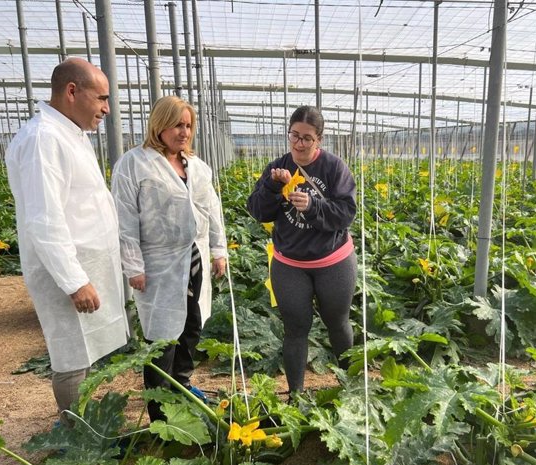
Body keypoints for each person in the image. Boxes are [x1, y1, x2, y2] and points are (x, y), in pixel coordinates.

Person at [5, 57, 129, 425]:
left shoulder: (66, 132)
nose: (107, 109)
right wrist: (75, 281)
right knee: (71, 353)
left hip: (84, 264)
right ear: (72, 91)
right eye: (102, 98)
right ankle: (77, 435)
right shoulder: (43, 138)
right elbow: (44, 220)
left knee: (84, 351)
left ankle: (83, 427)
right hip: (68, 272)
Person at [111, 96, 227, 422]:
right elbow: (125, 218)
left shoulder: (196, 166)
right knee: (161, 337)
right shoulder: (135, 164)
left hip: (194, 256)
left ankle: (183, 384)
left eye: (188, 125)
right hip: (157, 262)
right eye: (178, 124)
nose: (184, 132)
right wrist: (133, 265)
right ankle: (160, 412)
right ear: (159, 125)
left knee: (191, 324)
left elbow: (212, 210)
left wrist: (219, 251)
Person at [247, 105, 357, 394]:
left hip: (333, 261)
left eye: (307, 138)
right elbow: (258, 211)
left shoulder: (334, 168)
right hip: (290, 264)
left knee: (338, 323)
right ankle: (295, 395)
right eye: (294, 135)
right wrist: (272, 187)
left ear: (319, 139)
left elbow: (346, 213)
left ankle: (352, 389)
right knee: (295, 328)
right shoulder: (277, 167)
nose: (299, 143)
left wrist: (313, 206)